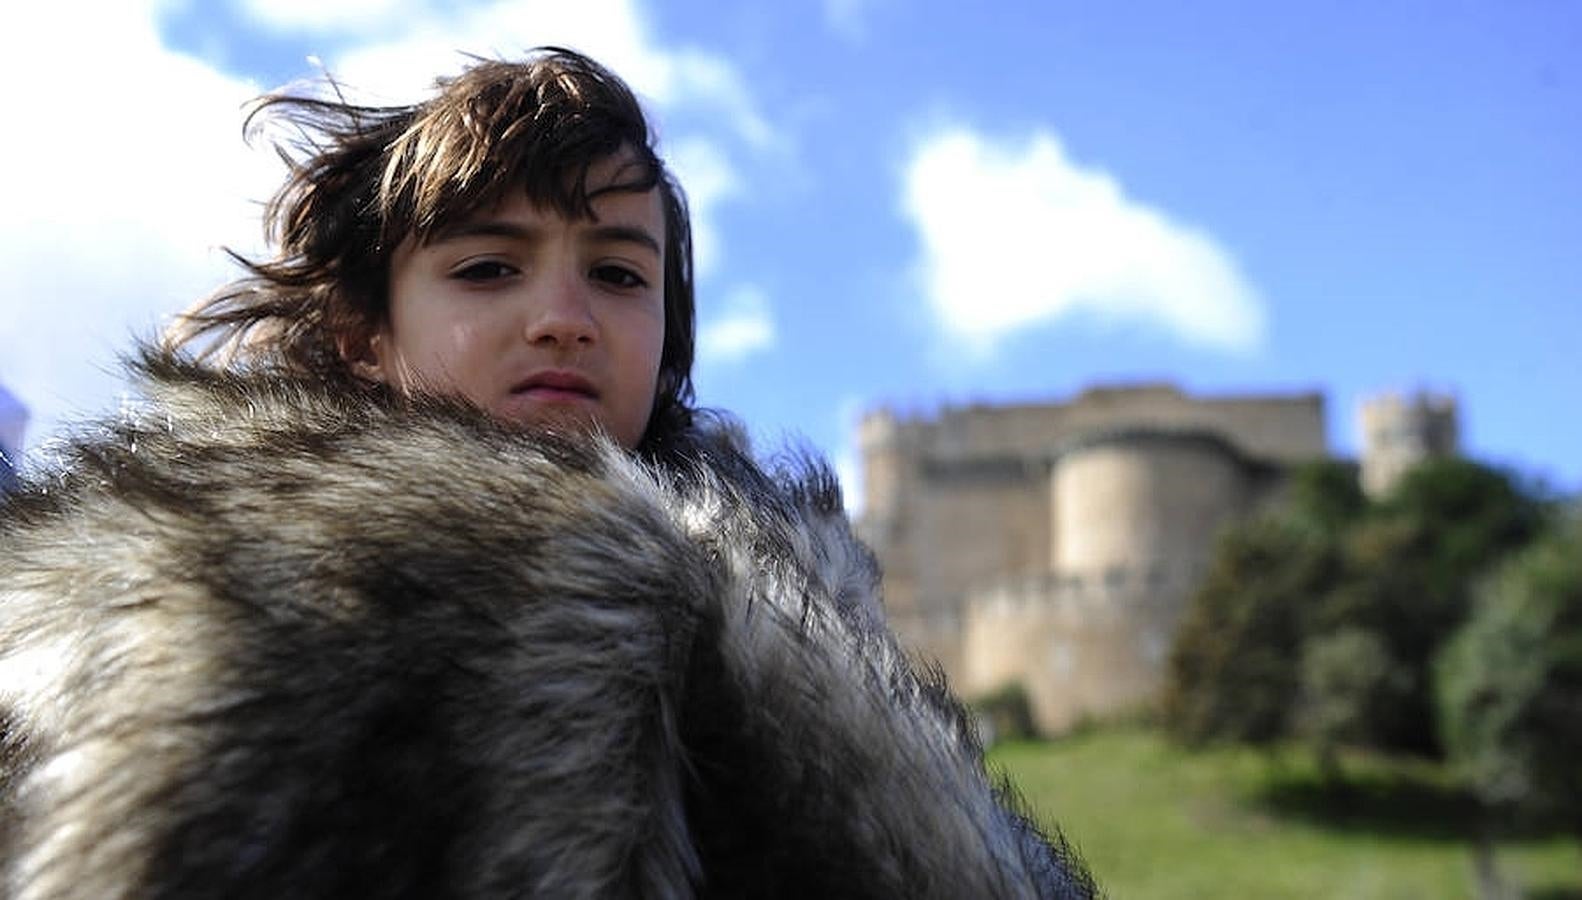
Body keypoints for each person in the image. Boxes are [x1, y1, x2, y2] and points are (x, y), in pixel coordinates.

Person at [0, 48, 1095, 899]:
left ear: (668, 339)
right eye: (487, 268)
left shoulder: (805, 627)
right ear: (359, 335)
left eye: (618, 273)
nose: (564, 320)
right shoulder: (229, 592)